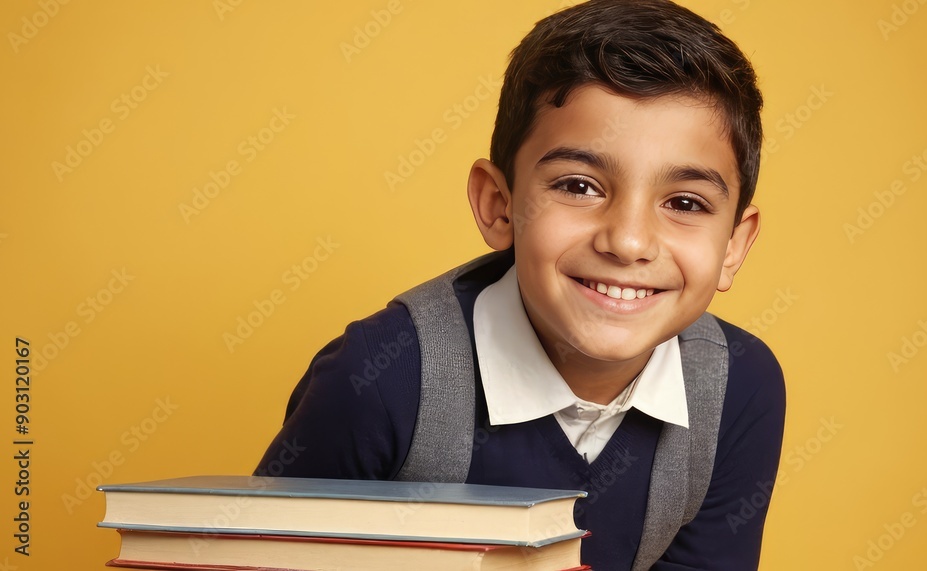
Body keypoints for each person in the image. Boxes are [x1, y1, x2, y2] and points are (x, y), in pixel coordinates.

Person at [255, 1, 785, 568]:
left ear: (733, 244)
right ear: (498, 205)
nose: (629, 242)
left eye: (684, 202)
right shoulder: (378, 378)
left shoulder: (738, 388)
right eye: (580, 187)